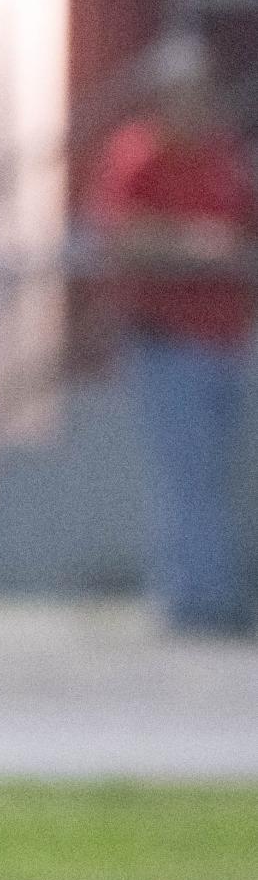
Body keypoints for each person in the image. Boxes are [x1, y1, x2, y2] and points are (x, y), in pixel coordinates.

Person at [87, 33, 257, 635]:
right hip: (166, 338)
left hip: (224, 337)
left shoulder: (219, 157)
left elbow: (243, 232)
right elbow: (118, 231)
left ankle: (217, 595)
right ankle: (192, 602)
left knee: (222, 475)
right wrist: (191, 242)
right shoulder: (139, 153)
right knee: (186, 474)